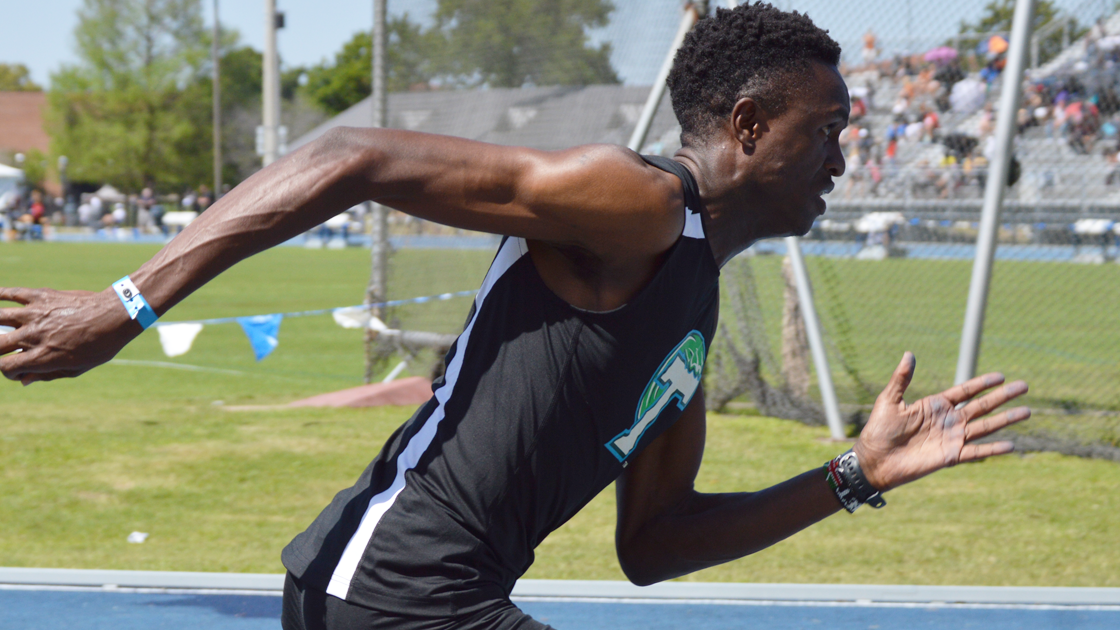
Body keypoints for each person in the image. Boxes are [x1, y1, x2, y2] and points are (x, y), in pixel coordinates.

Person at [0, 5, 1029, 630]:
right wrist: (127, 305)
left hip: (403, 598)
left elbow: (655, 543)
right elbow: (351, 156)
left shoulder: (691, 308)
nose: (844, 162)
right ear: (750, 126)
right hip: (398, 594)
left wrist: (850, 476)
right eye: (829, 132)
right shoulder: (639, 202)